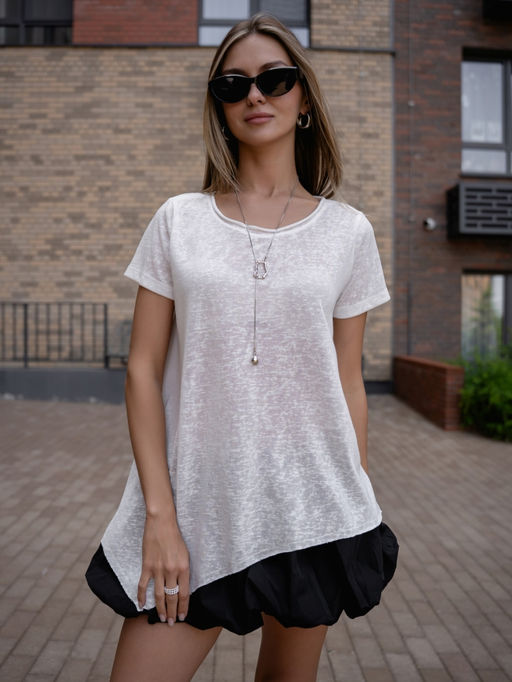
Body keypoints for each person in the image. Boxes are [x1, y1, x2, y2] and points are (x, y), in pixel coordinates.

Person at [85, 12, 399, 682]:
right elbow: (141, 370)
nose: (254, 95)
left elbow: (348, 382)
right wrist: (161, 517)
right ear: (220, 107)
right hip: (197, 509)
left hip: (311, 506)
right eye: (233, 85)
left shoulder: (348, 232)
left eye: (274, 79)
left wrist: (352, 501)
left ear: (303, 99)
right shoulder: (179, 220)